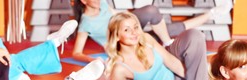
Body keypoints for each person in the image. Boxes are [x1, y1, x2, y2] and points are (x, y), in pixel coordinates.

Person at [105, 12, 209, 80]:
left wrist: (200, 79)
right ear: (116, 36)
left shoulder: (145, 39)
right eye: (127, 30)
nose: (134, 32)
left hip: (173, 62)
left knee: (195, 35)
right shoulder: (120, 68)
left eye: (136, 27)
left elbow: (172, 62)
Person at [71, 0, 232, 63]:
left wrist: (133, 23)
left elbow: (119, 16)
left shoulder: (104, 5)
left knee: (151, 11)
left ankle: (167, 42)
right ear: (84, 1)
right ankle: (212, 14)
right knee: (173, 28)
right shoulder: (86, 23)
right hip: (121, 41)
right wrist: (93, 60)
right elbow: (76, 53)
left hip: (128, 28)